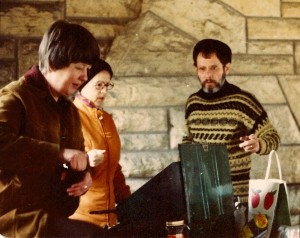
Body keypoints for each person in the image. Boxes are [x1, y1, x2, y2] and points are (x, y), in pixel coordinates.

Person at [0, 20, 105, 237]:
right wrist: (60, 154)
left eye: (87, 69)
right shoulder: (15, 97)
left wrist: (85, 174)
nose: (85, 77)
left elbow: (76, 157)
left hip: (50, 215)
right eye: (79, 68)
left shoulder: (68, 109)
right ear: (53, 61)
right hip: (17, 220)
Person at [182, 39, 280, 205]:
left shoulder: (242, 102)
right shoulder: (193, 103)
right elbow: (188, 141)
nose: (208, 75)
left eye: (214, 68)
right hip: (201, 197)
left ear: (226, 68)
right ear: (196, 70)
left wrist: (258, 144)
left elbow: (273, 138)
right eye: (202, 69)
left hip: (234, 199)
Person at [69, 59, 131, 228]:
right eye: (99, 85)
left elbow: (114, 168)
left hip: (110, 220)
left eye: (107, 85)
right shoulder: (69, 117)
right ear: (83, 83)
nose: (104, 91)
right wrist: (85, 160)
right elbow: (58, 169)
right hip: (80, 221)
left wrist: (130, 205)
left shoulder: (108, 120)